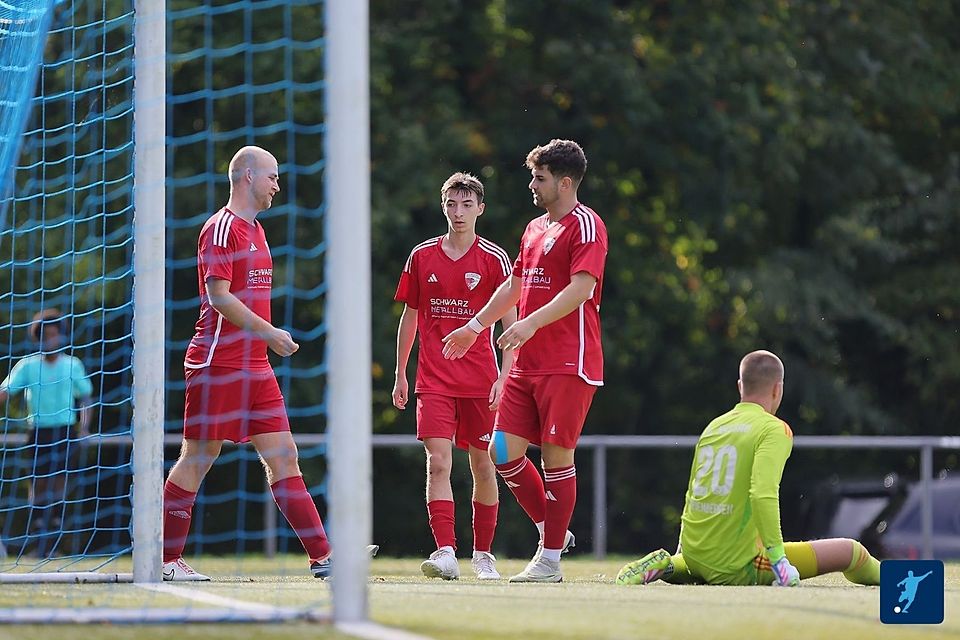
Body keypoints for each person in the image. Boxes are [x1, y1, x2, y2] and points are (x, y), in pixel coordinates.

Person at [161, 146, 375, 581]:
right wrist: (271, 333)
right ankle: (165, 560)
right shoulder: (221, 228)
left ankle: (324, 558)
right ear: (247, 176)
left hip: (255, 366)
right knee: (199, 455)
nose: (277, 185)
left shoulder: (257, 231)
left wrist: (263, 341)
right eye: (272, 176)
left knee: (285, 456)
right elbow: (218, 296)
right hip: (218, 363)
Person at [442, 139, 608, 583]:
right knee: (500, 450)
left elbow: (582, 289)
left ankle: (549, 560)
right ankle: (554, 532)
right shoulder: (534, 228)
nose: (532, 185)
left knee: (557, 458)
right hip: (527, 362)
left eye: (540, 178)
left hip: (568, 362)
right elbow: (515, 285)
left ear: (565, 182)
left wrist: (530, 323)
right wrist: (475, 326)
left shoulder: (586, 225)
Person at [616, 350, 882, 588]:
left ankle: (672, 565)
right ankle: (902, 583)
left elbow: (694, 493)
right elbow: (762, 493)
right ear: (778, 389)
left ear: (740, 386)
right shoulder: (773, 429)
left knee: (698, 565)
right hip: (738, 565)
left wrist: (683, 550)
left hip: (694, 555)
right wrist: (778, 560)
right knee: (851, 552)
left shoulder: (714, 426)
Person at [393, 172, 516, 581]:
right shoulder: (421, 256)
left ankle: (483, 555)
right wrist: (400, 373)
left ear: (481, 208)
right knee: (438, 462)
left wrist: (505, 377)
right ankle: (445, 551)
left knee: (483, 464)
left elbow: (512, 324)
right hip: (434, 380)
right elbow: (410, 317)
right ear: (442, 207)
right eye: (451, 204)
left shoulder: (495, 259)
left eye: (466, 204)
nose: (458, 212)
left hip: (481, 381)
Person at [0, 309, 93, 557]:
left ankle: (55, 545)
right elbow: (6, 391)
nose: (50, 340)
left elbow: (86, 397)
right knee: (38, 485)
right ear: (38, 338)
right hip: (38, 432)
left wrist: (84, 427)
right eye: (46, 335)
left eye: (54, 334)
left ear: (61, 336)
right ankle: (38, 544)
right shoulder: (28, 366)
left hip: (65, 432)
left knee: (59, 486)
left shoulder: (72, 365)